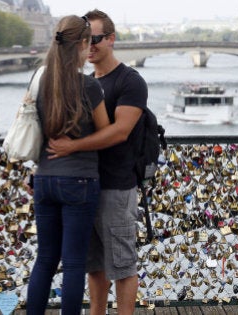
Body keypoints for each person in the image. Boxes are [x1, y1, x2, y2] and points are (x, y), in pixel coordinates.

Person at [46, 9, 148, 315]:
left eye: (97, 38)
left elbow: (120, 132)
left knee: (123, 264)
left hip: (116, 185)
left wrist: (71, 147)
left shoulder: (131, 81)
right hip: (85, 186)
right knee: (94, 266)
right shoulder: (87, 83)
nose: (90, 45)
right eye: (85, 39)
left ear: (112, 39)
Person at [25, 15, 109, 315]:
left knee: (45, 259)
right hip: (80, 181)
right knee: (73, 263)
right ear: (84, 45)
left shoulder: (40, 80)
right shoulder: (88, 85)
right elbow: (106, 132)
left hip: (44, 179)